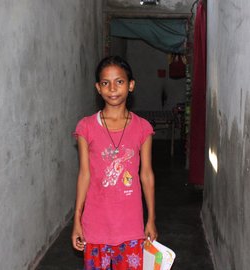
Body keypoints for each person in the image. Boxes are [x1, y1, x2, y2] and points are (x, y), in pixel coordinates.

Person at [72, 55, 157, 269]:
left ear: (131, 85)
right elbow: (84, 175)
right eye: (105, 83)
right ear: (98, 88)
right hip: (95, 225)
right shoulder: (86, 127)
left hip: (130, 226)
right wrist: (77, 219)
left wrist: (151, 218)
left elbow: (146, 174)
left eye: (119, 81)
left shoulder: (142, 128)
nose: (112, 88)